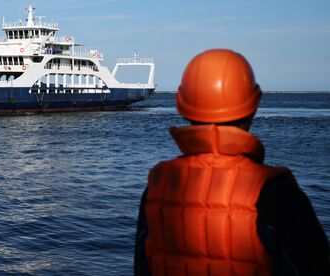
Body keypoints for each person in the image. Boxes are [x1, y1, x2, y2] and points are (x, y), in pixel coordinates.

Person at [134, 49, 329, 276]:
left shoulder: (157, 188)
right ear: (253, 107)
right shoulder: (275, 192)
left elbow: (142, 267)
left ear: (182, 106)